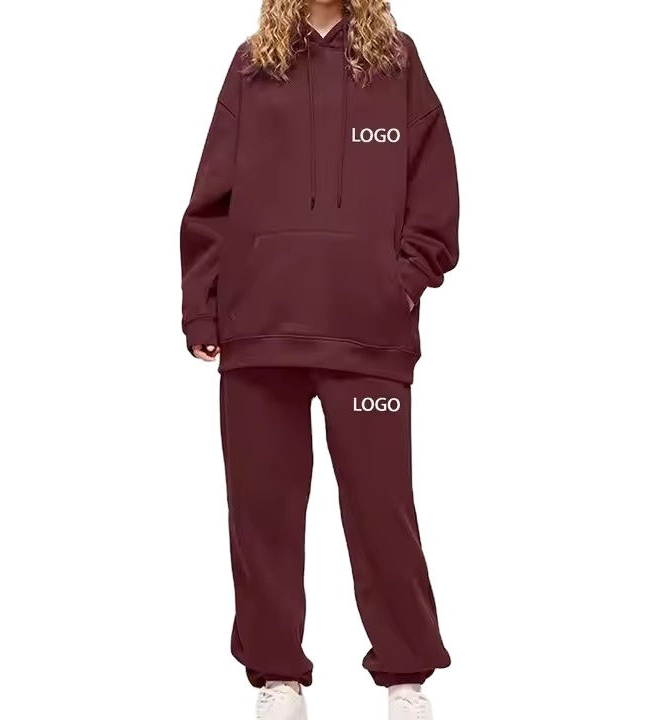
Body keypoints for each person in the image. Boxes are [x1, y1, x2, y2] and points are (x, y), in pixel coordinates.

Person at [180, 0, 459, 717]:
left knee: (380, 506)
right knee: (262, 511)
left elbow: (435, 189)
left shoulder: (397, 61)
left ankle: (405, 678)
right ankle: (279, 678)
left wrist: (398, 283)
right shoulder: (252, 64)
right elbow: (211, 198)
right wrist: (202, 306)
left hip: (368, 331)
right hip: (258, 327)